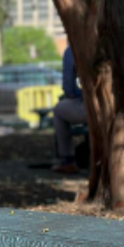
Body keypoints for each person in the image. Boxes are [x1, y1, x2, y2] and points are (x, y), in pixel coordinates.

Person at [52, 45, 86, 173]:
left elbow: (69, 89)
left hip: (93, 108)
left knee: (58, 110)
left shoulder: (72, 49)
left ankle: (68, 160)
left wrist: (83, 94)